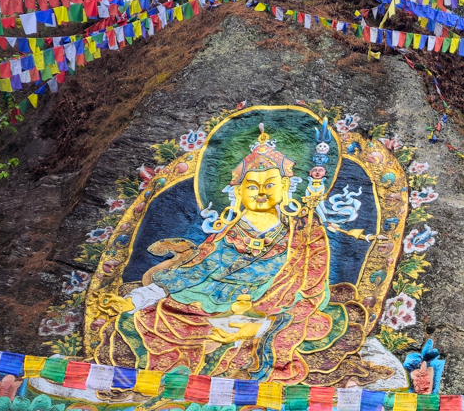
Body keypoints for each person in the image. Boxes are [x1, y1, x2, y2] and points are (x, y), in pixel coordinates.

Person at [118, 129, 344, 381]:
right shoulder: (229, 231)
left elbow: (311, 290)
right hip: (210, 306)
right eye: (252, 186)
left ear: (285, 188)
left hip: (269, 310)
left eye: (270, 185)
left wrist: (259, 326)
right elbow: (194, 271)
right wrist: (140, 297)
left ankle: (245, 345)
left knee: (312, 325)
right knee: (155, 317)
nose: (261, 193)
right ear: (238, 192)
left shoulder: (304, 231)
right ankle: (177, 374)